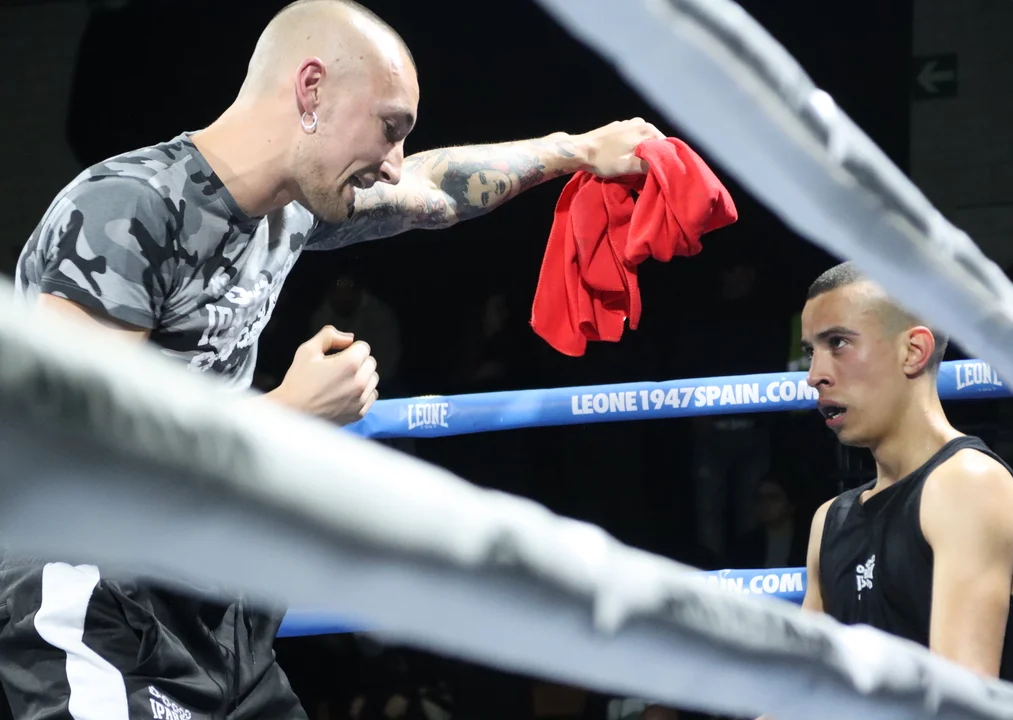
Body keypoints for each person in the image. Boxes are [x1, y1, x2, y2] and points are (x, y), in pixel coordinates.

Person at [1, 0, 664, 717]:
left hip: (216, 603)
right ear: (311, 89)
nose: (394, 163)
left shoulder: (287, 214)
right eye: (390, 128)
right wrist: (290, 411)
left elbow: (435, 189)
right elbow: (80, 452)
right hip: (98, 596)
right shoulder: (126, 207)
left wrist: (577, 149)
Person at [798, 261, 1013, 690]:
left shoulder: (968, 486)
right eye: (811, 352)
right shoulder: (830, 521)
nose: (814, 376)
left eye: (838, 343)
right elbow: (803, 696)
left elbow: (959, 704)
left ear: (913, 351)